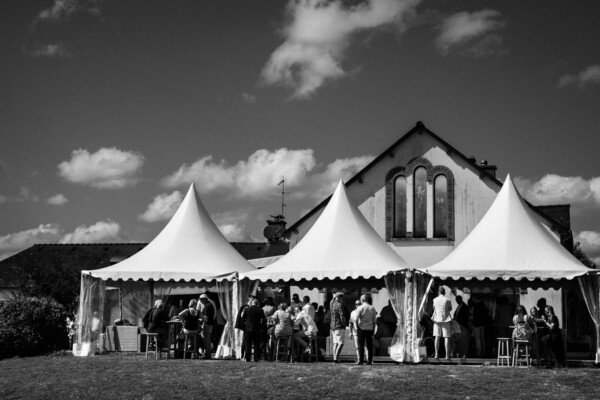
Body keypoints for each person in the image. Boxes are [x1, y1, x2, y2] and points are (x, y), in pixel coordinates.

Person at [432, 286, 452, 361]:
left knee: (437, 336)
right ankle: (447, 355)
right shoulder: (448, 300)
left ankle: (436, 354)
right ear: (444, 292)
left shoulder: (434, 299)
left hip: (437, 319)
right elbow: (450, 308)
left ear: (439, 292)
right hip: (445, 319)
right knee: (446, 337)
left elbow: (434, 308)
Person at [356, 294, 377, 365]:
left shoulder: (360, 307)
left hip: (361, 328)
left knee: (361, 345)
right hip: (370, 328)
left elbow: (355, 318)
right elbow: (374, 321)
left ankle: (361, 360)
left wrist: (356, 327)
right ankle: (369, 361)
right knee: (369, 345)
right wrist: (373, 329)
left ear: (362, 300)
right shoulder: (372, 308)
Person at [329, 292, 347, 363]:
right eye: (341, 297)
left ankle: (335, 358)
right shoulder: (340, 305)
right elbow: (342, 316)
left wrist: (334, 297)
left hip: (332, 326)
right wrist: (344, 324)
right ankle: (335, 358)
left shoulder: (332, 304)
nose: (342, 298)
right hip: (339, 326)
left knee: (335, 343)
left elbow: (331, 301)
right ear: (339, 297)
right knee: (341, 343)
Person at [198, 293, 216, 359]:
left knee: (207, 340)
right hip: (209, 324)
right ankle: (207, 354)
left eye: (201, 300)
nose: (200, 301)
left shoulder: (207, 306)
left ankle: (208, 355)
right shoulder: (209, 305)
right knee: (206, 339)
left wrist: (201, 320)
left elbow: (206, 317)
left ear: (203, 300)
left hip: (207, 324)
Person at [453, 295, 469, 361]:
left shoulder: (464, 306)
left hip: (462, 326)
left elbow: (464, 317)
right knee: (459, 341)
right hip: (458, 326)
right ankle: (458, 353)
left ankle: (462, 354)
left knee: (462, 341)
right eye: (456, 300)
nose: (456, 301)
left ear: (460, 299)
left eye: (457, 300)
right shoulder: (459, 306)